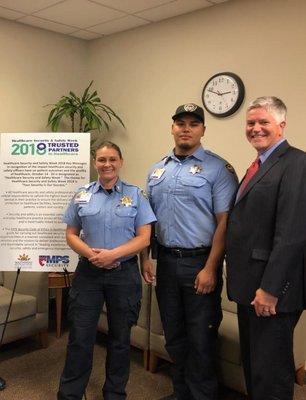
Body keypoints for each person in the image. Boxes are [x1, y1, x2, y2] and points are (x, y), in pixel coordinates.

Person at [141, 103, 238, 400]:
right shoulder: (158, 169)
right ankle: (181, 393)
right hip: (167, 263)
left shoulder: (219, 169)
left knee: (201, 338)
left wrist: (211, 267)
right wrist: (146, 258)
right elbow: (147, 219)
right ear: (172, 128)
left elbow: (225, 223)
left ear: (202, 130)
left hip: (200, 263)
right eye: (180, 123)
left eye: (193, 124)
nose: (186, 128)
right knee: (175, 335)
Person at [57, 141, 156, 400]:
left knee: (120, 339)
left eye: (112, 159)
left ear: (120, 162)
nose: (107, 164)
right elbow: (71, 234)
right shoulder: (82, 194)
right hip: (88, 274)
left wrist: (113, 255)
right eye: (102, 160)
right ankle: (70, 395)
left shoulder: (136, 195)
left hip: (124, 274)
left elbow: (144, 237)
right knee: (80, 336)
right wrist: (93, 256)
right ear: (95, 163)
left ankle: (114, 393)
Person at [226, 96, 306, 400]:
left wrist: (270, 288)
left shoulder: (297, 163)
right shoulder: (259, 165)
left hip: (271, 291)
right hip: (250, 285)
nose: (255, 128)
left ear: (281, 125)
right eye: (250, 123)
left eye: (263, 122)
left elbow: (293, 233)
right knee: (255, 367)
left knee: (270, 375)